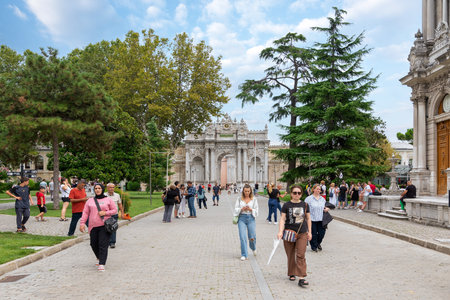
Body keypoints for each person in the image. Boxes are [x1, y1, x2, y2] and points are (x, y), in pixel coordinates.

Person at [277, 185, 312, 287]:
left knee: (301, 254)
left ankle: (301, 277)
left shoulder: (305, 205)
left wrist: (310, 232)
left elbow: (308, 219)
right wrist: (280, 231)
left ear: (301, 194)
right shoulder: (286, 205)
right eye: (294, 193)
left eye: (299, 193)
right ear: (291, 193)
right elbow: (282, 219)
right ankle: (292, 272)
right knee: (290, 254)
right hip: (289, 233)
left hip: (302, 232)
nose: (297, 195)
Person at [80, 183, 117, 272]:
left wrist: (105, 213)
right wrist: (82, 223)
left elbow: (115, 210)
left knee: (103, 244)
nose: (97, 190)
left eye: (99, 188)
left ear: (102, 189)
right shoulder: (90, 201)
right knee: (93, 244)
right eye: (95, 188)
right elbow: (85, 212)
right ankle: (99, 257)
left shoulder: (108, 200)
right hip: (93, 226)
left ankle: (102, 263)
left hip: (104, 226)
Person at [233, 184, 259, 261]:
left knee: (252, 237)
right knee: (242, 237)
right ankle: (244, 254)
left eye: (248, 191)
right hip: (242, 218)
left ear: (250, 191)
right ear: (243, 191)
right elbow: (236, 209)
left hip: (251, 218)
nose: (247, 193)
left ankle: (253, 247)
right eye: (245, 191)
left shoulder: (254, 199)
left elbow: (257, 210)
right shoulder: (239, 199)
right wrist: (242, 208)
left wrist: (251, 209)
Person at [305, 184, 329, 252]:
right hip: (312, 219)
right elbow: (305, 208)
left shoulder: (322, 199)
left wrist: (327, 208)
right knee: (313, 234)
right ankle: (314, 246)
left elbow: (325, 206)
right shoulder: (308, 199)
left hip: (321, 219)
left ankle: (318, 243)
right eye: (317, 189)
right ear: (313, 189)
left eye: (319, 189)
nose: (319, 190)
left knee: (322, 233)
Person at [105, 183, 124, 248]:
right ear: (107, 188)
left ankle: (112, 242)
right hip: (106, 215)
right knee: (106, 228)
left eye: (112, 187)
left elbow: (120, 204)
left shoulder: (117, 195)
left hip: (114, 215)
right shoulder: (104, 195)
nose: (111, 189)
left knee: (113, 228)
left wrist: (122, 212)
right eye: (110, 187)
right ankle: (106, 242)